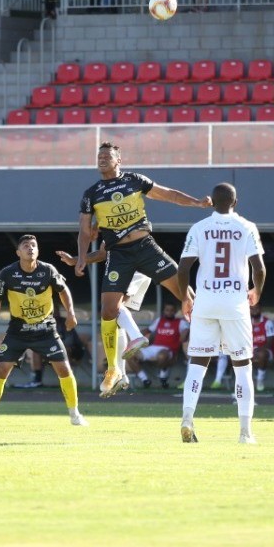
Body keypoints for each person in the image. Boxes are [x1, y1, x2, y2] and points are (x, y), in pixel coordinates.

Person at [77, 141, 211, 398]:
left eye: (107, 156)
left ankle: (209, 333)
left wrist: (196, 203)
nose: (102, 159)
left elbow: (168, 193)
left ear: (119, 160)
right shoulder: (91, 193)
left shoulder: (135, 180)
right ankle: (114, 369)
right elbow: (85, 229)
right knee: (108, 311)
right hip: (118, 255)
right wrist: (82, 256)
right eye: (99, 156)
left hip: (145, 247)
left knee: (185, 293)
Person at [177, 183, 265, 444]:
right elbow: (258, 268)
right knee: (242, 367)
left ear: (212, 202)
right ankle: (245, 432)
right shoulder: (246, 227)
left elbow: (183, 269)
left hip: (205, 303)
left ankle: (187, 417)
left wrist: (185, 297)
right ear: (235, 203)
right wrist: (256, 291)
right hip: (235, 305)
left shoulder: (199, 228)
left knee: (197, 364)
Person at [0, 234, 86, 427]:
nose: (30, 248)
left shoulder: (48, 270)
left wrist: (71, 313)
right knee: (1, 370)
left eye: (34, 245)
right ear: (18, 252)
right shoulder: (7, 273)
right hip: (17, 331)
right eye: (26, 246)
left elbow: (63, 290)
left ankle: (75, 414)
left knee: (64, 368)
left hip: (46, 330)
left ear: (38, 250)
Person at [55, 239, 153, 391]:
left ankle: (136, 337)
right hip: (141, 270)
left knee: (113, 308)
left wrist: (77, 259)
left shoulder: (117, 225)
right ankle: (122, 375)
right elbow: (102, 253)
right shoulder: (116, 230)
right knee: (115, 318)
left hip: (134, 269)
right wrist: (75, 260)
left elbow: (102, 250)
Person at [17, 311, 86, 388]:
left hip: (69, 352)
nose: (53, 315)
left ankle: (67, 380)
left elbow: (69, 341)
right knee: (35, 350)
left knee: (64, 349)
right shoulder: (42, 324)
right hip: (48, 352)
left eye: (54, 312)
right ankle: (37, 380)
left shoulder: (65, 323)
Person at [127, 302, 189, 389]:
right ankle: (145, 379)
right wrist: (135, 336)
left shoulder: (180, 322)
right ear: (164, 311)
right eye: (167, 310)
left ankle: (163, 376)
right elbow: (147, 330)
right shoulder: (159, 320)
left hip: (169, 350)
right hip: (153, 348)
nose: (169, 312)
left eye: (172, 310)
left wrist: (184, 334)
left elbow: (186, 331)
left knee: (161, 356)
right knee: (129, 354)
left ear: (175, 311)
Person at [250, 306, 274, 392]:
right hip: (251, 350)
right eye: (252, 309)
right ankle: (244, 384)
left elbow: (270, 342)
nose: (254, 311)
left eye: (256, 308)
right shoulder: (247, 323)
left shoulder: (267, 322)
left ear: (261, 309)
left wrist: (258, 349)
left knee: (261, 354)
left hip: (267, 351)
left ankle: (260, 379)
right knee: (239, 356)